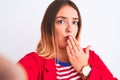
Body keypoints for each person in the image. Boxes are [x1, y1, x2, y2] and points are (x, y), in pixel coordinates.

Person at [18, 0, 118, 80]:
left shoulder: (91, 57)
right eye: (61, 21)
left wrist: (84, 69)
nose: (70, 29)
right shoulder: (33, 61)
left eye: (75, 22)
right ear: (48, 27)